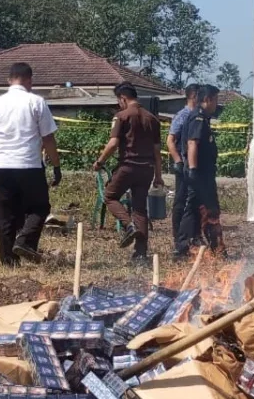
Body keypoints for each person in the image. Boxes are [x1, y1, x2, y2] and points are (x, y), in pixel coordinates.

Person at [0, 62, 62, 267]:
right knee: (40, 208)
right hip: (29, 166)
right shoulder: (36, 102)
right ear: (29, 80)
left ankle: (8, 261)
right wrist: (56, 165)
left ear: (9, 80)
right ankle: (25, 241)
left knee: (5, 214)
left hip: (2, 165)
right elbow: (48, 138)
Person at [93, 82, 165, 264]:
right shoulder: (153, 119)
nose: (119, 105)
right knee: (140, 209)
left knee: (109, 196)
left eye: (119, 101)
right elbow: (157, 152)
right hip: (147, 169)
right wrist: (158, 176)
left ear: (123, 98)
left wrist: (100, 161)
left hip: (128, 166)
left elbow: (113, 144)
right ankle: (140, 254)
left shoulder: (122, 116)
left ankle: (128, 225)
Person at [177, 85, 223, 258]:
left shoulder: (203, 117)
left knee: (201, 209)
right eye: (216, 99)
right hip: (200, 174)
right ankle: (183, 247)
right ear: (208, 99)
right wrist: (194, 170)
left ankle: (212, 246)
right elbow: (192, 144)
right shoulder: (198, 118)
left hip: (205, 174)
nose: (216, 104)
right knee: (199, 209)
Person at [167, 84, 200, 250]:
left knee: (194, 201)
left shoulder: (198, 116)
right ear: (193, 96)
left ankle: (193, 236)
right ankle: (177, 237)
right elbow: (170, 141)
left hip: (194, 166)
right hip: (184, 165)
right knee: (180, 201)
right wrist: (178, 162)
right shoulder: (183, 115)